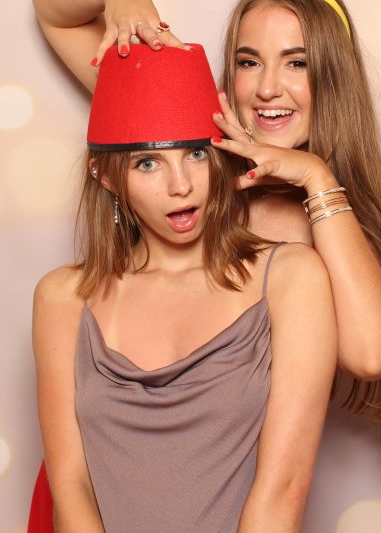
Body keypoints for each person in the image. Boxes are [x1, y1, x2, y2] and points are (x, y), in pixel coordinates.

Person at [28, 0, 381, 530]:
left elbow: (372, 354)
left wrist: (315, 179)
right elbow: (51, 7)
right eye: (247, 61)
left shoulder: (322, 230)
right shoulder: (182, 120)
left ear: (332, 80)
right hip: (100, 474)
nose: (267, 89)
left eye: (296, 63)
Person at [32, 42, 336, 532]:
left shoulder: (291, 277)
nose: (181, 185)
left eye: (195, 154)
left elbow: (283, 488)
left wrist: (317, 177)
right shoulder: (62, 298)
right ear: (105, 176)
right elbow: (71, 485)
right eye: (147, 163)